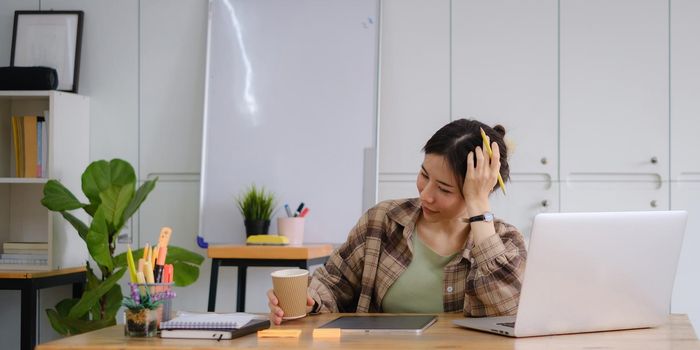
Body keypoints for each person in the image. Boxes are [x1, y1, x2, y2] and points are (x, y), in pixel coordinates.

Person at [267, 119, 527, 324]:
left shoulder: (506, 242)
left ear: (478, 190)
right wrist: (308, 299)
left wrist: (480, 208)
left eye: (444, 190)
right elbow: (332, 284)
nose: (425, 195)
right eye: (424, 175)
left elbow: (508, 313)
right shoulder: (383, 221)